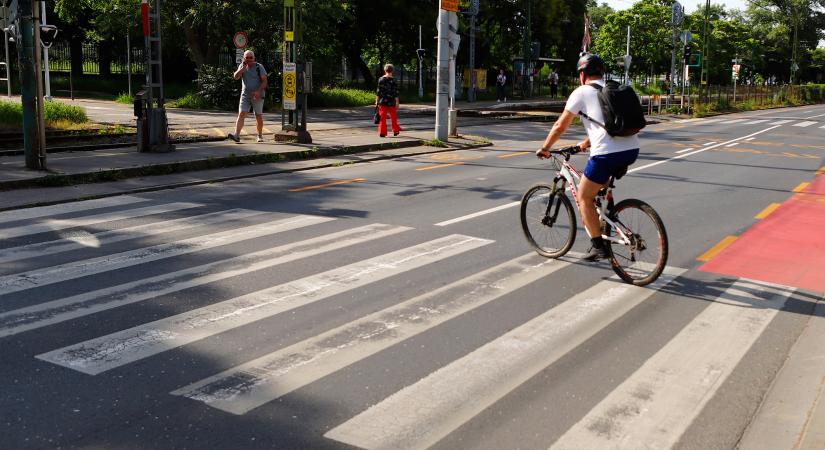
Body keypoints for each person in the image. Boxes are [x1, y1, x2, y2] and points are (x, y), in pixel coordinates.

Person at [535, 53, 640, 261]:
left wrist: (545, 148)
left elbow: (560, 126)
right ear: (601, 72)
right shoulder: (613, 88)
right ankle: (606, 217)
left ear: (582, 74)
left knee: (584, 197)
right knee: (598, 189)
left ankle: (598, 246)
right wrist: (585, 143)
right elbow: (609, 124)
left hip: (606, 155)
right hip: (631, 149)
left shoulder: (581, 92)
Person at [228, 50, 268, 143]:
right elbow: (236, 77)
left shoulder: (259, 67)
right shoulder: (242, 66)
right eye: (247, 57)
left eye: (251, 57)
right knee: (241, 113)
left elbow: (265, 81)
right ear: (244, 58)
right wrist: (241, 69)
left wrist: (258, 91)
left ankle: (260, 136)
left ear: (254, 58)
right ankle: (236, 135)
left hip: (258, 94)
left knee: (258, 115)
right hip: (245, 94)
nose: (249, 59)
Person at [375, 64, 401, 137]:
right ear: (392, 70)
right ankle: (395, 130)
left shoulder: (381, 79)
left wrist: (376, 100)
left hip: (382, 101)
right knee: (393, 117)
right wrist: (397, 102)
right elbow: (396, 92)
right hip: (392, 101)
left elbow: (378, 91)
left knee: (382, 118)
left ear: (385, 70)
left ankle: (382, 133)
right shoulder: (394, 80)